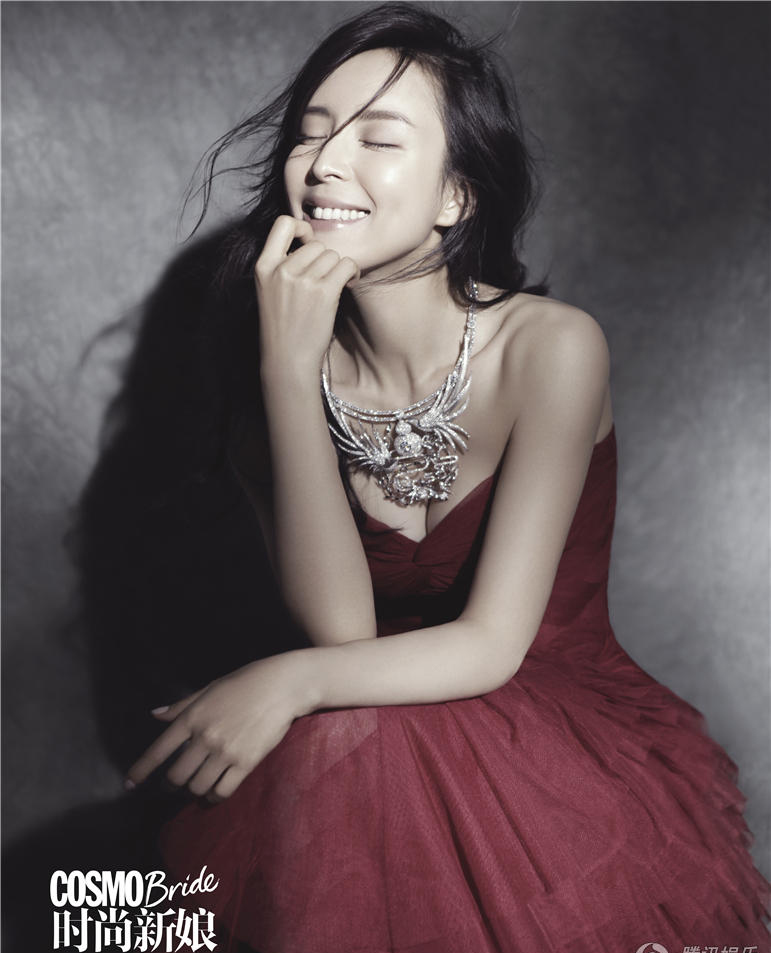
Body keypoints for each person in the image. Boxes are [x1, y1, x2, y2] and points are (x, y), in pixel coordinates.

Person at [127, 4, 771, 950]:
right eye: (310, 134)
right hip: (369, 729)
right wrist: (287, 374)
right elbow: (344, 633)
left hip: (555, 731)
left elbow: (491, 646)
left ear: (455, 197)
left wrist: (284, 681)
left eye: (377, 139)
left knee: (345, 747)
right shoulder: (263, 385)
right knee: (347, 756)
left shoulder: (551, 348)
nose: (324, 163)